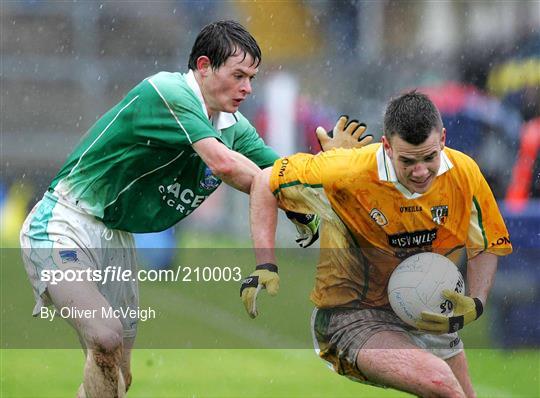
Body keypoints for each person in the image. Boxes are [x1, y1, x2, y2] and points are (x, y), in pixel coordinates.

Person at [19, 20, 372, 397]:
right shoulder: (168, 91)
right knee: (105, 337)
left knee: (119, 374)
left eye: (251, 78)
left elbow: (281, 176)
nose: (247, 88)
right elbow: (228, 166)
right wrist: (285, 190)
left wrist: (334, 171)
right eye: (238, 75)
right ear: (204, 66)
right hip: (64, 221)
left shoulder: (235, 127)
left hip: (114, 237)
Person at [241, 91, 513, 397]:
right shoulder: (347, 171)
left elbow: (487, 243)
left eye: (430, 157)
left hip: (424, 309)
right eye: (408, 161)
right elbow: (265, 182)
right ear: (386, 146)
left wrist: (475, 301)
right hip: (351, 315)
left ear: (443, 140)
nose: (421, 171)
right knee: (440, 382)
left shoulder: (465, 174)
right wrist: (265, 263)